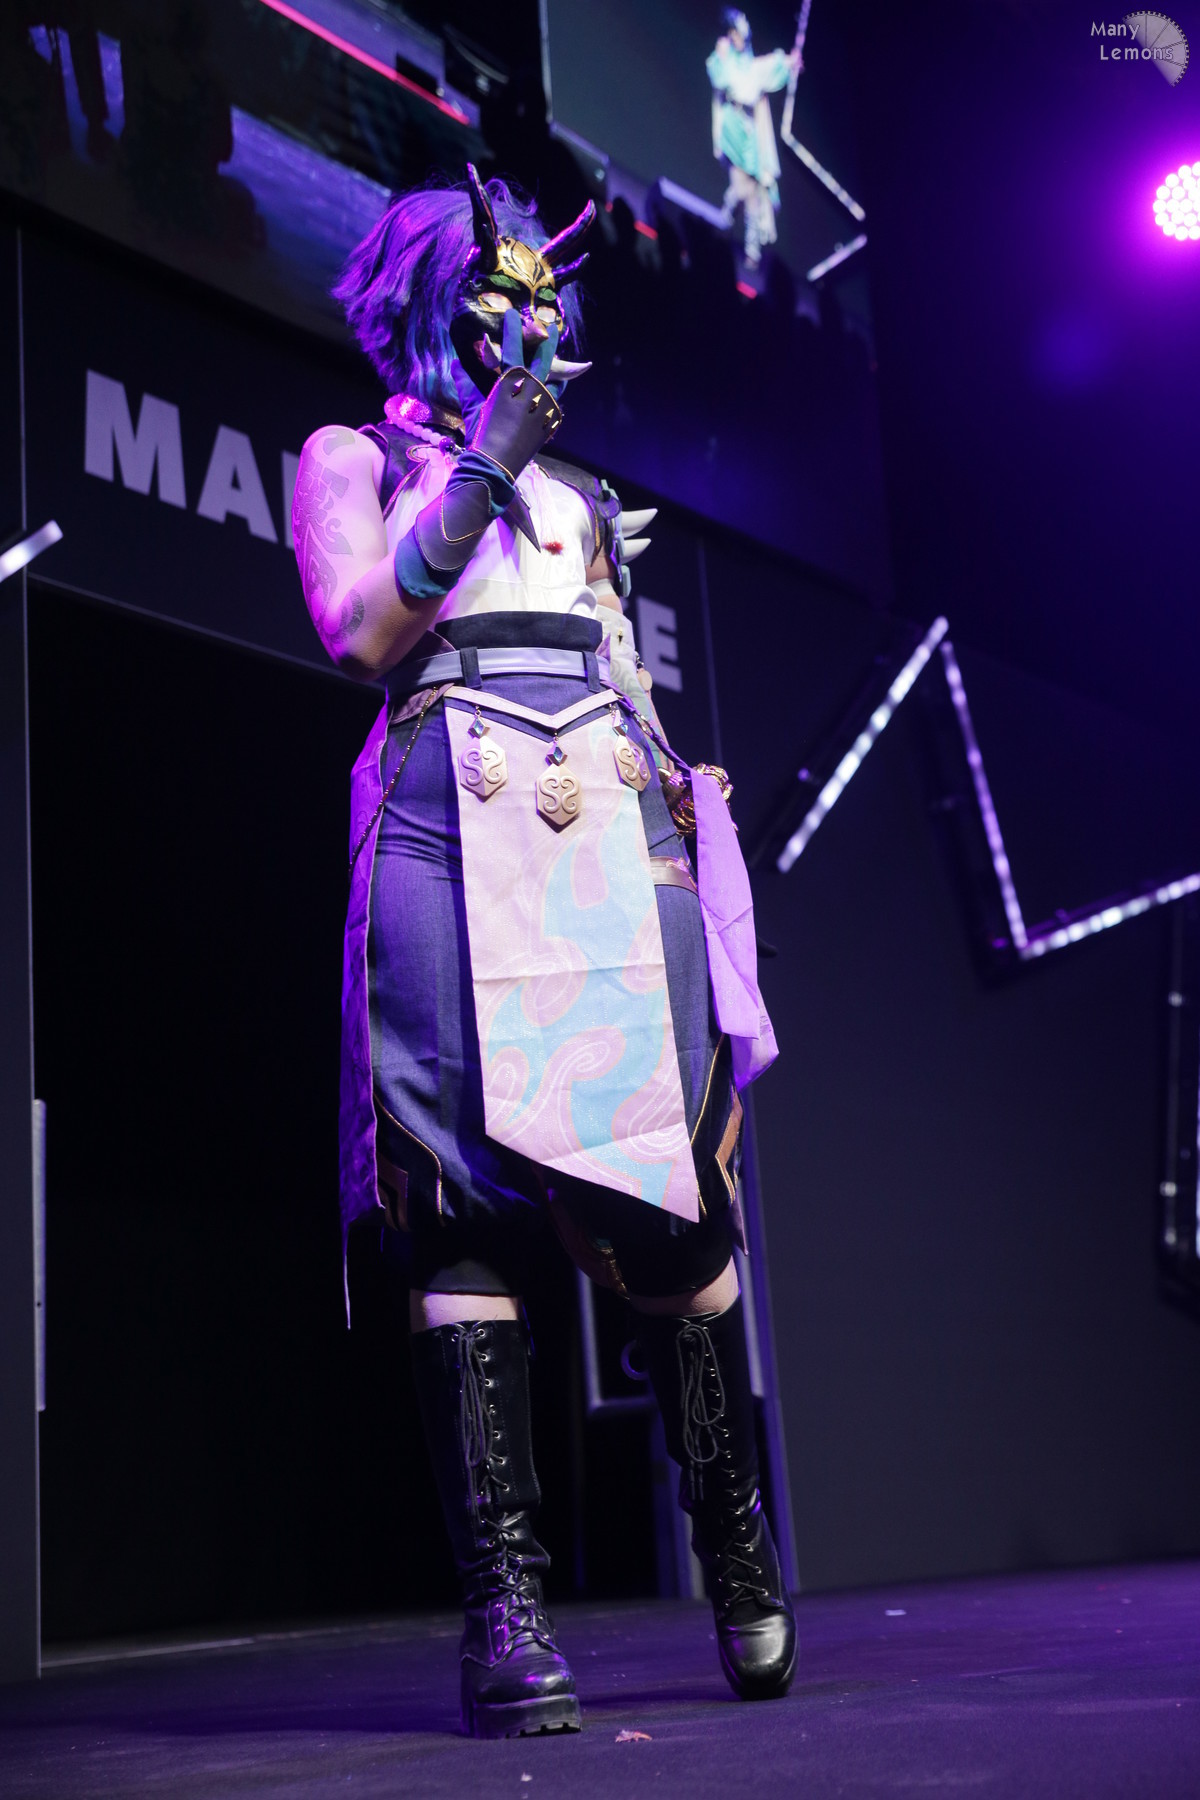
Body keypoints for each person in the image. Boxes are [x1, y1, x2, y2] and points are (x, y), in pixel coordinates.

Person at [292, 166, 792, 1739]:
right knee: (455, 1203)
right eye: (498, 293)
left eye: (544, 296)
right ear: (430, 302)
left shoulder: (580, 501)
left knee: (671, 1198)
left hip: (599, 828)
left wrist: (685, 820)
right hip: (445, 823)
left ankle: (734, 1535)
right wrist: (481, 462)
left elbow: (625, 681)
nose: (530, 319)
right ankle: (503, 1609)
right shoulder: (353, 456)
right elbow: (360, 630)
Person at [706, 9, 801, 266]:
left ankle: (727, 228)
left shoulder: (749, 62)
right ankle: (739, 240)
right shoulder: (724, 58)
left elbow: (764, 69)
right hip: (733, 130)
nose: (741, 35)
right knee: (745, 190)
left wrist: (788, 62)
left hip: (751, 133)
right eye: (737, 31)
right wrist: (722, 56)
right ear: (731, 33)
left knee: (752, 190)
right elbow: (722, 78)